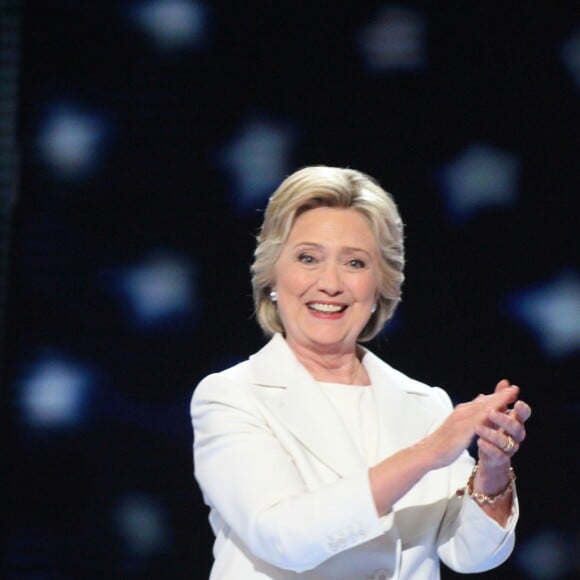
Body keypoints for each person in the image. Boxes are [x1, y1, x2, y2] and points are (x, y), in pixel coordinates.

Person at [190, 166, 532, 579]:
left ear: (381, 286)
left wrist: (492, 470)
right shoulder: (231, 396)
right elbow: (283, 538)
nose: (330, 283)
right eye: (307, 258)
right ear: (272, 277)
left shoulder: (425, 403)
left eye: (354, 262)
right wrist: (428, 453)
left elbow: (470, 554)